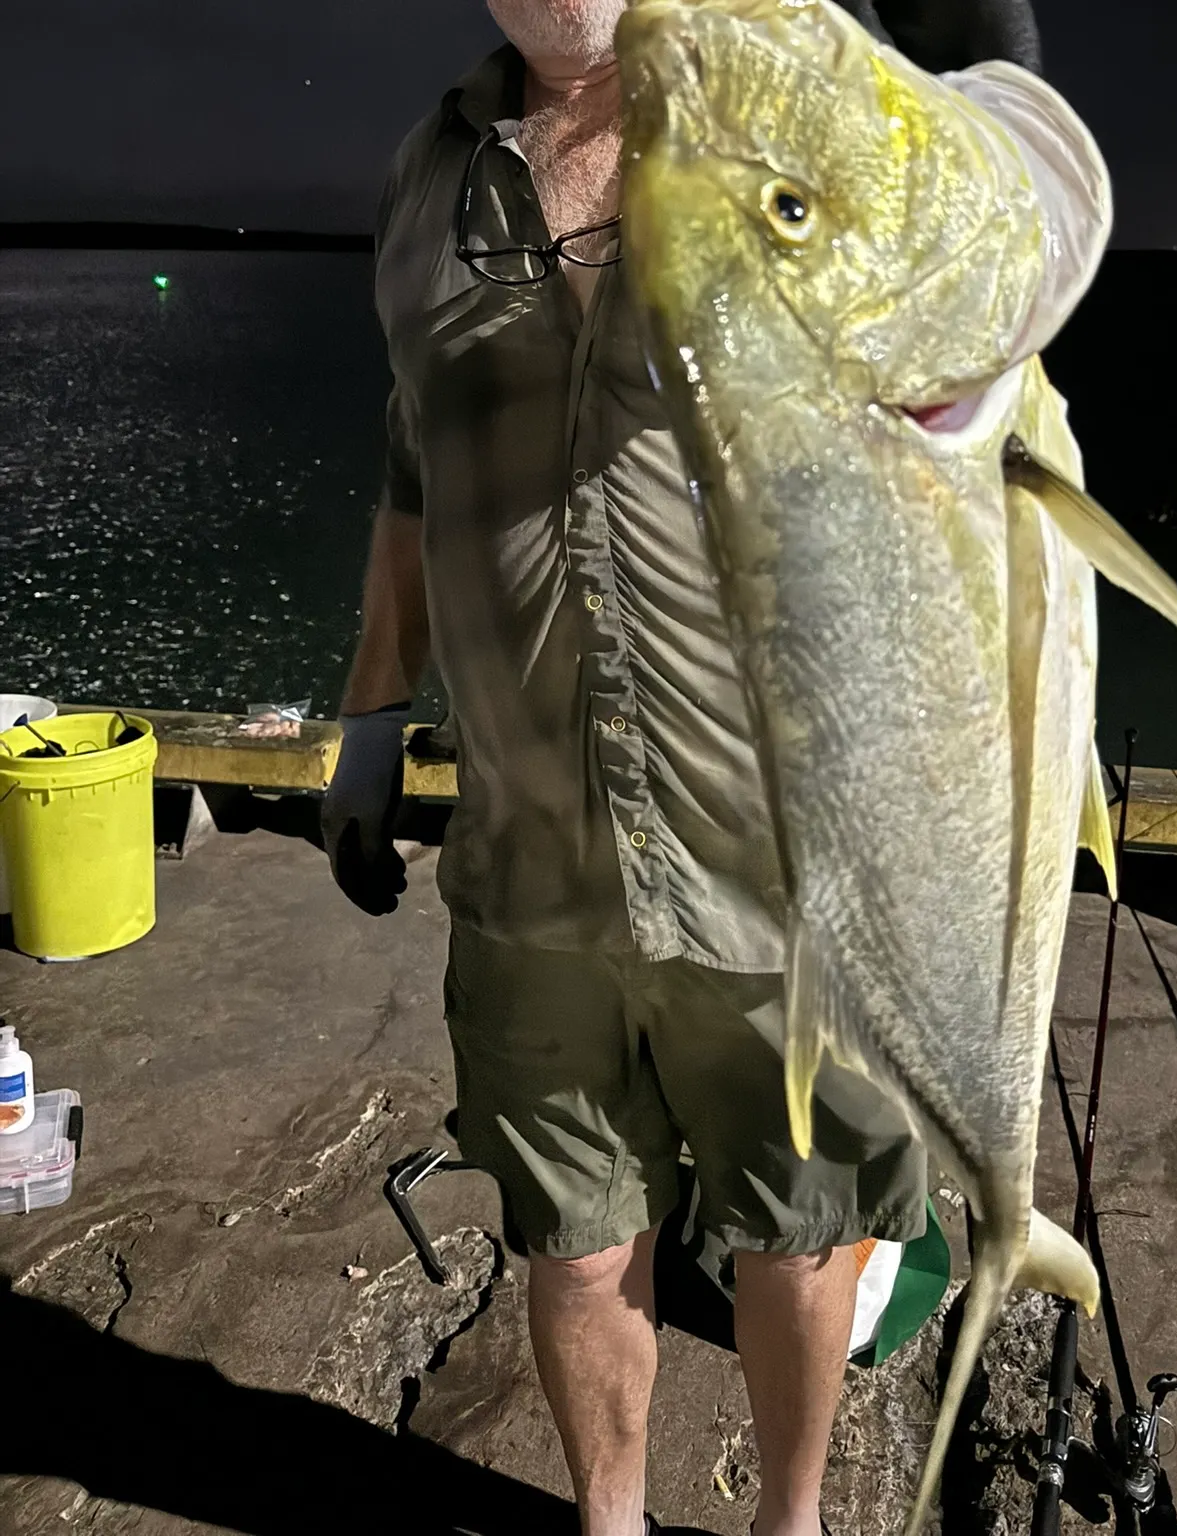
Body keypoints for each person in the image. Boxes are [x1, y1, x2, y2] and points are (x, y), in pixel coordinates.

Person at [319, 2, 1040, 1532]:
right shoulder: (423, 178)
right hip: (527, 869)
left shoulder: (794, 133)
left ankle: (790, 1519)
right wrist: (372, 714)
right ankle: (612, 1520)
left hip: (790, 874)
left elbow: (980, 352)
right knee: (573, 1244)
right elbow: (410, 459)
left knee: (808, 1238)